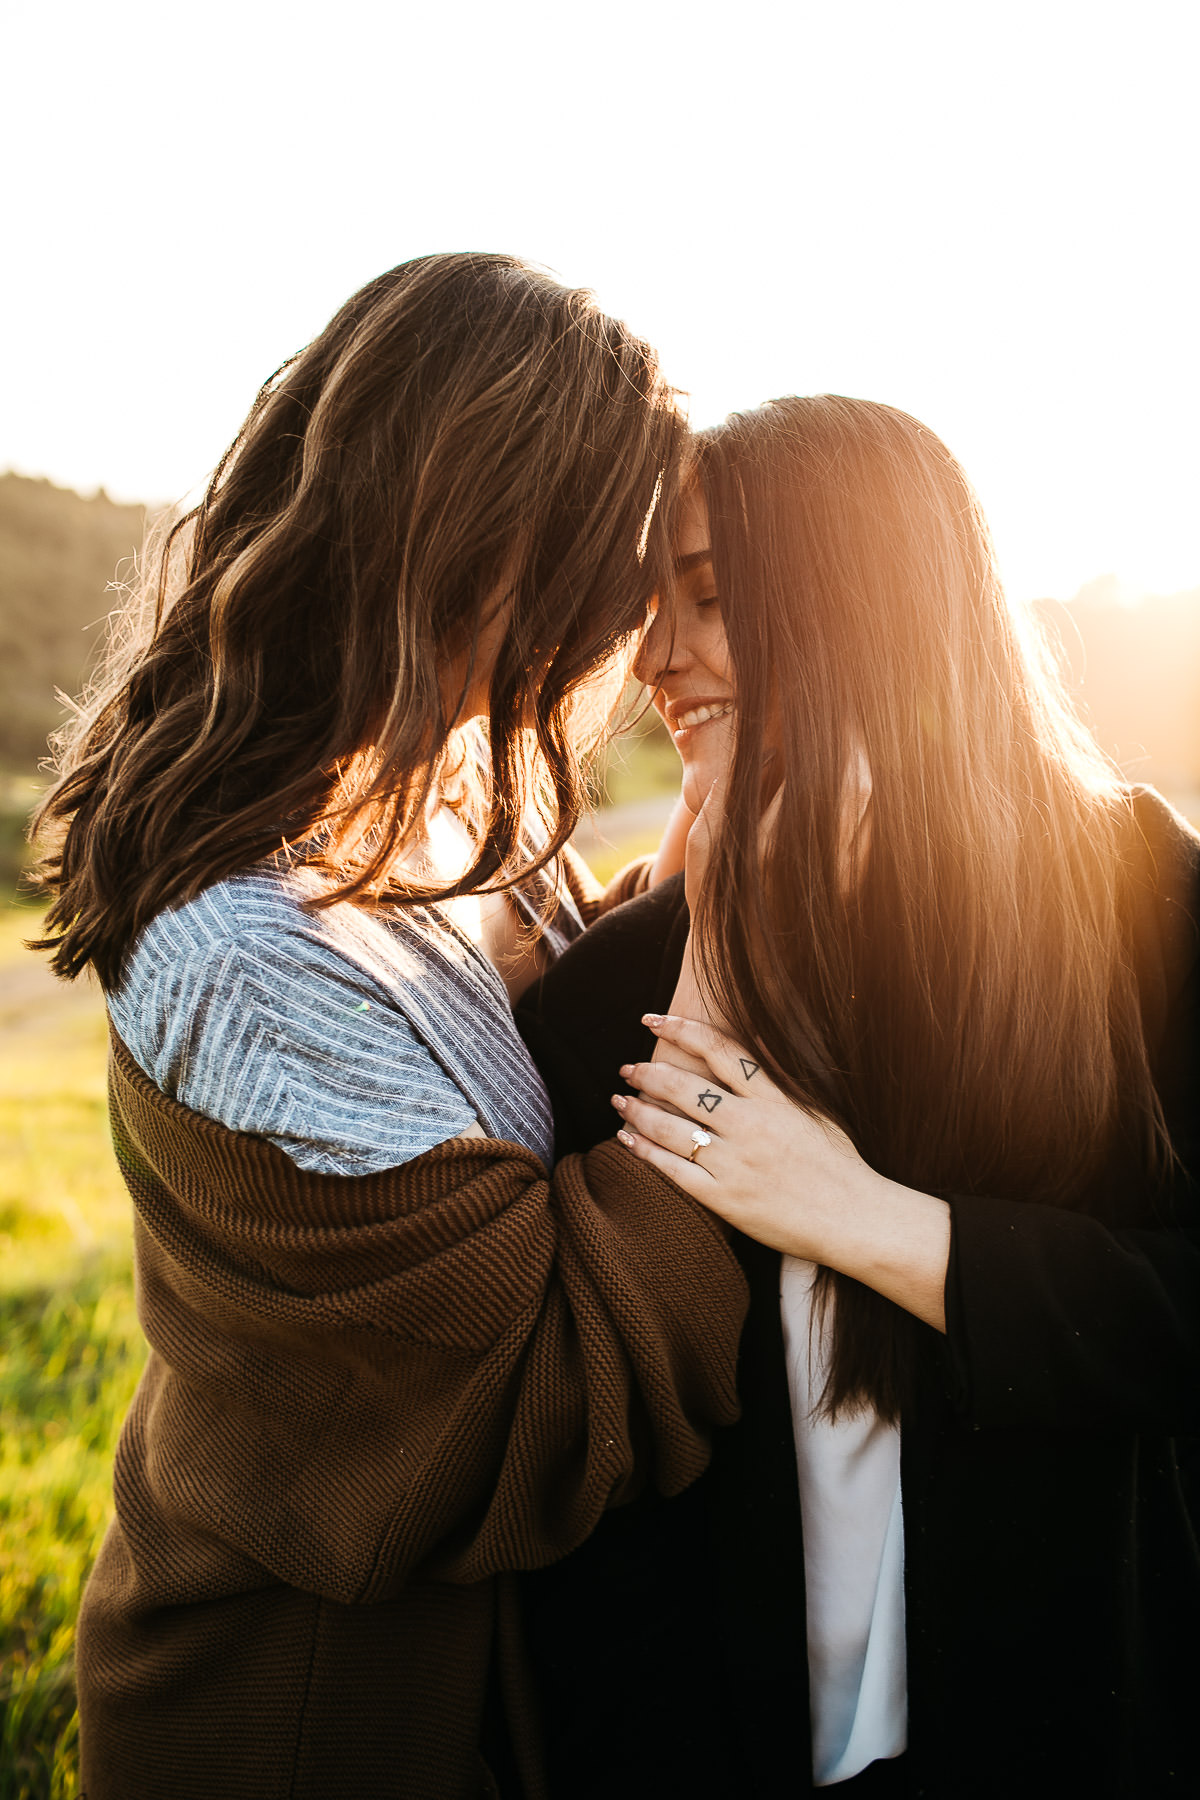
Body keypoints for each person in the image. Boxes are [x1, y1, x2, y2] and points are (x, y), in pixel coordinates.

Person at [30, 253, 750, 1800]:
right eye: (609, 561)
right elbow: (542, 1390)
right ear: (481, 530)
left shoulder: (439, 796)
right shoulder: (250, 947)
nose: (630, 618)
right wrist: (734, 965)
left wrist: (685, 876)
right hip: (315, 1712)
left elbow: (528, 1031)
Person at [515, 395, 1199, 1799]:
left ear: (864, 612)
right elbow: (596, 1495)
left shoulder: (1143, 899)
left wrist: (878, 1224)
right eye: (653, 606)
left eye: (708, 600)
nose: (656, 657)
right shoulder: (610, 1000)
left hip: (1083, 1725)